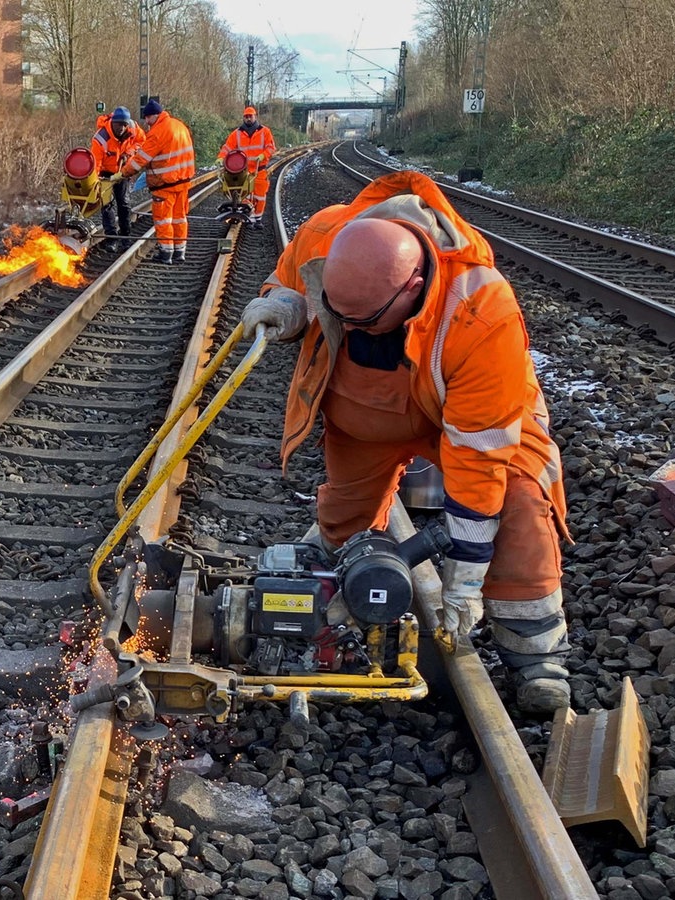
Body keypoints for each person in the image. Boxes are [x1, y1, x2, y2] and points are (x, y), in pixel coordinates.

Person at [239, 170, 572, 715]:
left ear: (414, 287)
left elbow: (477, 459)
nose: (354, 328)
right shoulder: (330, 233)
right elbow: (289, 272)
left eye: (366, 321)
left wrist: (464, 579)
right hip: (365, 410)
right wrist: (287, 302)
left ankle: (535, 656)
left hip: (469, 419)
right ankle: (324, 590)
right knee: (345, 522)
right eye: (340, 314)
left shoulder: (480, 314)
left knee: (519, 498)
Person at [119, 100, 195, 263]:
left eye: (147, 118)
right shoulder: (180, 126)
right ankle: (179, 252)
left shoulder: (158, 131)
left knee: (163, 219)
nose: (146, 122)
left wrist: (123, 173)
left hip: (165, 184)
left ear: (155, 115)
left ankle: (166, 253)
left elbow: (141, 159)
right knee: (180, 218)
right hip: (183, 182)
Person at [90, 106, 143, 249]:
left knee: (124, 204)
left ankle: (125, 237)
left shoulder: (133, 129)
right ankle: (112, 239)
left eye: (124, 125)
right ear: (113, 123)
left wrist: (129, 152)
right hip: (105, 173)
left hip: (123, 171)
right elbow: (96, 163)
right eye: (119, 124)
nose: (122, 128)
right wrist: (95, 181)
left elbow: (142, 142)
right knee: (106, 205)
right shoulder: (101, 138)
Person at [220, 106, 275, 223]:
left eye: (250, 116)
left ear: (255, 117)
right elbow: (228, 147)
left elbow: (271, 147)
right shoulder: (237, 134)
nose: (248, 119)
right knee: (244, 195)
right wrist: (221, 158)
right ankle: (248, 217)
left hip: (259, 169)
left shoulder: (265, 132)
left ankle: (258, 218)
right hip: (243, 171)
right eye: (246, 117)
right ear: (243, 118)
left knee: (260, 196)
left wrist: (263, 155)